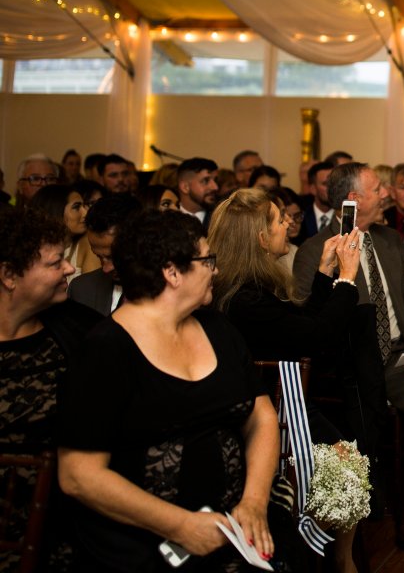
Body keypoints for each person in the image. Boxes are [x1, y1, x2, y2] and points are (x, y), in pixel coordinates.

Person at [57, 210, 286, 572]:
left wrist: (254, 503)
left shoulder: (218, 328)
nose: (216, 270)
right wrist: (180, 526)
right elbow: (78, 475)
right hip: (141, 550)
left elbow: (261, 417)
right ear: (172, 272)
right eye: (207, 260)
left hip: (232, 534)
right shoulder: (106, 349)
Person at [292, 162, 404, 552]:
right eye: (378, 188)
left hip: (395, 358)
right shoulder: (316, 250)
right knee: (365, 406)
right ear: (354, 199)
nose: (387, 194)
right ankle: (371, 488)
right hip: (350, 369)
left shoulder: (390, 240)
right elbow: (309, 318)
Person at [208, 187, 362, 573]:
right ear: (261, 238)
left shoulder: (249, 286)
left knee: (344, 449)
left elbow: (301, 326)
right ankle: (335, 560)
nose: (288, 223)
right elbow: (317, 338)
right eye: (280, 220)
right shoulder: (246, 298)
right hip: (266, 410)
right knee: (346, 459)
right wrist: (347, 278)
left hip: (277, 396)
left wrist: (324, 272)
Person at [0, 209, 100, 572]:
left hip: (67, 536)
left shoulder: (82, 331)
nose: (70, 269)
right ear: (9, 275)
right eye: (56, 262)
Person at [68, 194, 143, 316]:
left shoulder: (168, 290)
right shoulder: (81, 290)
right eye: (98, 256)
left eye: (114, 257)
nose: (106, 268)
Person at [28, 184, 98, 281]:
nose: (85, 213)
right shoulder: (32, 248)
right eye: (76, 207)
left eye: (84, 206)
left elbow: (91, 288)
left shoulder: (87, 243)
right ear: (56, 210)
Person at [177, 157, 220, 230]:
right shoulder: (168, 220)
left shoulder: (221, 219)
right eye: (205, 181)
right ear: (185, 187)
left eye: (216, 180)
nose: (215, 187)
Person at [297, 161, 335, 243]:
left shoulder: (345, 217)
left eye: (334, 182)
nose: (332, 187)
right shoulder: (301, 217)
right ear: (313, 189)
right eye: (325, 183)